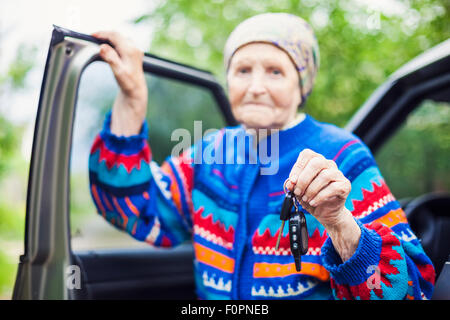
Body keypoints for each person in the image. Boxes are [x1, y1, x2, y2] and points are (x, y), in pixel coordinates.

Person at [89, 13, 435, 300]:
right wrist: (133, 99)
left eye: (275, 71)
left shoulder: (342, 154)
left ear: (301, 87)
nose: (255, 86)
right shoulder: (210, 153)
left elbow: (411, 291)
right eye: (242, 70)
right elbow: (130, 208)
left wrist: (339, 222)